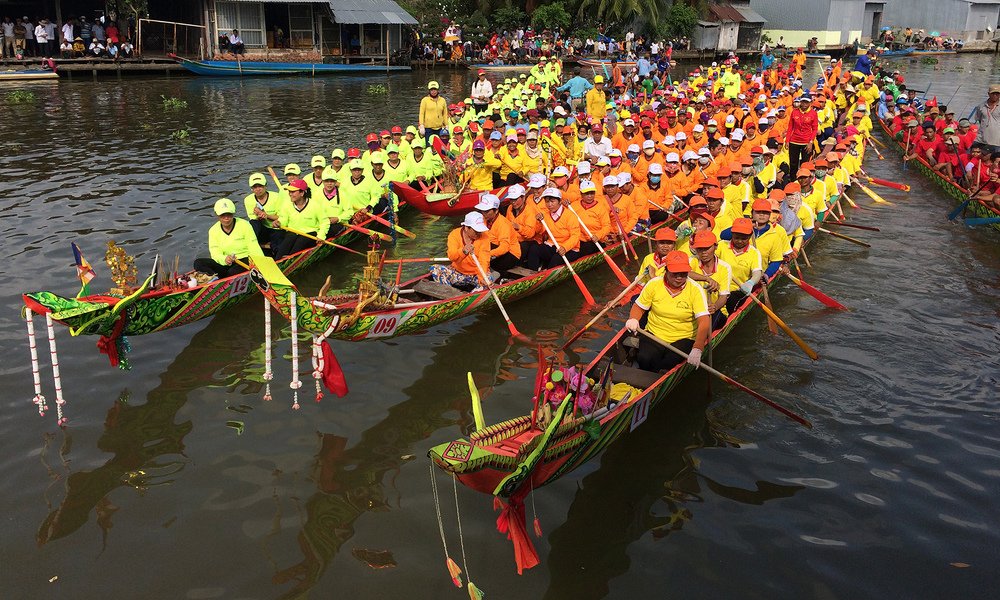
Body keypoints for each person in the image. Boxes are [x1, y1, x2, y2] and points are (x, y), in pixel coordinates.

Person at [625, 250, 710, 372]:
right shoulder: (654, 284)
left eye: (683, 273)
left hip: (683, 337)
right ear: (666, 270)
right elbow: (639, 307)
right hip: (655, 333)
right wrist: (633, 318)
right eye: (675, 273)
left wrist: (698, 347)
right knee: (645, 358)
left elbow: (704, 321)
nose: (679, 277)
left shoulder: (696, 290)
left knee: (667, 364)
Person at [192, 199, 263, 278]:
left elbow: (254, 247)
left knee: (232, 272)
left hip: (245, 260)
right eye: (223, 215)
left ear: (233, 213)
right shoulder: (213, 230)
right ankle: (214, 280)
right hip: (225, 263)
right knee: (198, 263)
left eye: (229, 214)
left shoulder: (245, 225)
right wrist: (225, 259)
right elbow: (215, 253)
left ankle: (222, 280)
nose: (226, 218)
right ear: (217, 215)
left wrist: (260, 264)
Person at [429, 211, 494, 291]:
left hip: (476, 274)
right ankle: (450, 294)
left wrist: (482, 278)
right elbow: (451, 257)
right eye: (476, 231)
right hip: (458, 273)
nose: (479, 234)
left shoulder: (484, 237)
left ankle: (471, 296)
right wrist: (463, 251)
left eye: (480, 231)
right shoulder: (454, 235)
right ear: (467, 228)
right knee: (435, 269)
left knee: (488, 281)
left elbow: (484, 260)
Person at [271, 179, 329, 260]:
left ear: (302, 193)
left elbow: (324, 222)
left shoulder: (315, 205)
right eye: (289, 192)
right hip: (293, 233)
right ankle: (278, 260)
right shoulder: (287, 205)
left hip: (310, 235)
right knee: (289, 238)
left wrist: (321, 236)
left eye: (293, 192)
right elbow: (283, 219)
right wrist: (278, 223)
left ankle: (291, 258)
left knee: (302, 240)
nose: (290, 194)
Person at [525, 187, 581, 270]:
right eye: (547, 202)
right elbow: (539, 232)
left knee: (556, 259)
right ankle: (532, 274)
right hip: (552, 245)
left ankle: (546, 273)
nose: (549, 204)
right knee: (534, 249)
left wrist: (564, 247)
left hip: (570, 249)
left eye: (552, 201)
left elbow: (575, 236)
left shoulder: (570, 216)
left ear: (559, 201)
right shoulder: (546, 215)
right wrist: (539, 222)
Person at [687, 230, 732, 331]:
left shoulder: (725, 267)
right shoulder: (692, 261)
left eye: (707, 248)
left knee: (704, 329)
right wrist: (706, 278)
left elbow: (723, 297)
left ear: (715, 247)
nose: (703, 253)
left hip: (715, 310)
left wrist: (715, 307)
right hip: (694, 308)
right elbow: (685, 273)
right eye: (700, 249)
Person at [476, 193, 521, 272]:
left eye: (486, 211)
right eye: (482, 211)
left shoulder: (503, 224)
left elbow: (504, 247)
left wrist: (488, 254)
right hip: (493, 247)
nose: (483, 213)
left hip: (511, 254)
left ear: (496, 211)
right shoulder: (484, 219)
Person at [244, 172, 285, 248]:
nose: (258, 189)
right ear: (251, 189)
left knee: (278, 238)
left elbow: (282, 217)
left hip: (276, 227)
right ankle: (251, 246)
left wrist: (267, 215)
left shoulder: (276, 197)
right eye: (255, 187)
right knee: (253, 223)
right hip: (263, 229)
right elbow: (254, 221)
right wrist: (259, 216)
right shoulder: (248, 200)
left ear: (265, 186)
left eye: (260, 186)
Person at [970, 83, 1000, 154]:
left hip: (997, 141)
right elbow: (979, 120)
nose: (995, 95)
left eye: (997, 94)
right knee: (971, 155)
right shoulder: (981, 106)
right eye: (993, 93)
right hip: (981, 139)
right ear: (988, 94)